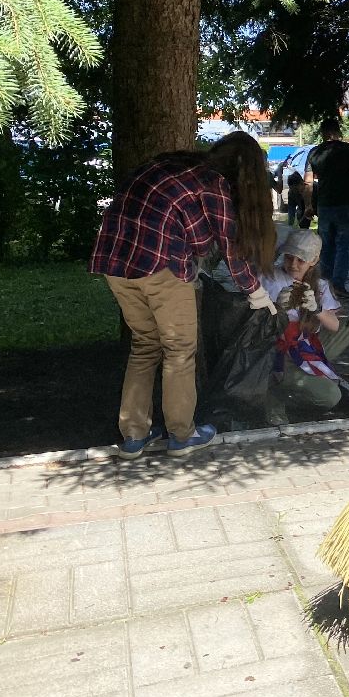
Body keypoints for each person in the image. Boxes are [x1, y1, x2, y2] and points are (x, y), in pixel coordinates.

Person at [90, 132, 278, 460]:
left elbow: (182, 227)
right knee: (179, 350)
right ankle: (181, 434)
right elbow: (231, 249)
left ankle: (134, 436)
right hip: (159, 267)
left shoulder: (168, 165)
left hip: (113, 262)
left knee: (145, 346)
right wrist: (256, 293)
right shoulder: (215, 184)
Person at [261, 228, 349, 419]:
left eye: (301, 260)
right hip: (279, 352)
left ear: (313, 261)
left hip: (312, 345)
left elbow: (335, 326)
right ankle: (274, 396)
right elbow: (251, 324)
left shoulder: (320, 285)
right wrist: (275, 309)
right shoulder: (268, 278)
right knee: (330, 397)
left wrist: (317, 309)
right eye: (289, 257)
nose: (293, 264)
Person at [304, 118, 349, 301]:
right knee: (344, 246)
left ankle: (325, 286)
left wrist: (309, 205)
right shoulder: (347, 149)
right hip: (346, 204)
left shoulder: (314, 152)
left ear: (322, 133)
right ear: (338, 131)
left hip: (324, 205)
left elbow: (308, 182)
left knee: (326, 246)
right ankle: (338, 285)